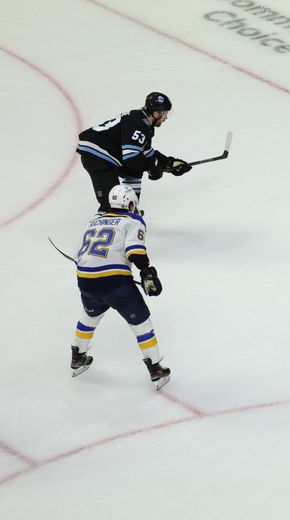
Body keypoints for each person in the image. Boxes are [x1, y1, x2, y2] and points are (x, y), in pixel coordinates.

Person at [70, 184, 171, 389]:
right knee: (141, 324)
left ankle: (77, 357)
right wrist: (146, 272)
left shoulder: (94, 221)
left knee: (89, 317)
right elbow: (135, 251)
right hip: (115, 283)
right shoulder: (132, 220)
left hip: (85, 280)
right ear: (130, 203)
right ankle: (155, 369)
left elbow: (78, 256)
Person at [76, 92, 192, 212]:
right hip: (97, 155)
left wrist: (168, 163)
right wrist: (153, 167)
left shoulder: (144, 123)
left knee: (134, 171)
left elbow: (147, 153)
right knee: (112, 204)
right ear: (156, 113)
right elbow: (132, 158)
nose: (166, 117)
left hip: (104, 153)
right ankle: (108, 218)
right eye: (165, 113)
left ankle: (130, 208)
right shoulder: (139, 123)